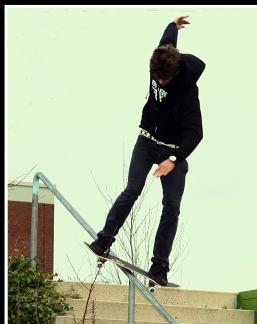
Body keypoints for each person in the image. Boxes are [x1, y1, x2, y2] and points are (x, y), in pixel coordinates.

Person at [89, 15, 205, 286]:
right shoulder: (162, 60)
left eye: (164, 80)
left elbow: (196, 133)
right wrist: (172, 26)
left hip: (174, 150)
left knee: (171, 207)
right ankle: (105, 238)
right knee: (132, 189)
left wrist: (174, 160)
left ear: (175, 74)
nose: (160, 82)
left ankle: (160, 265)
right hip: (146, 141)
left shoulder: (188, 95)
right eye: (157, 77)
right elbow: (167, 42)